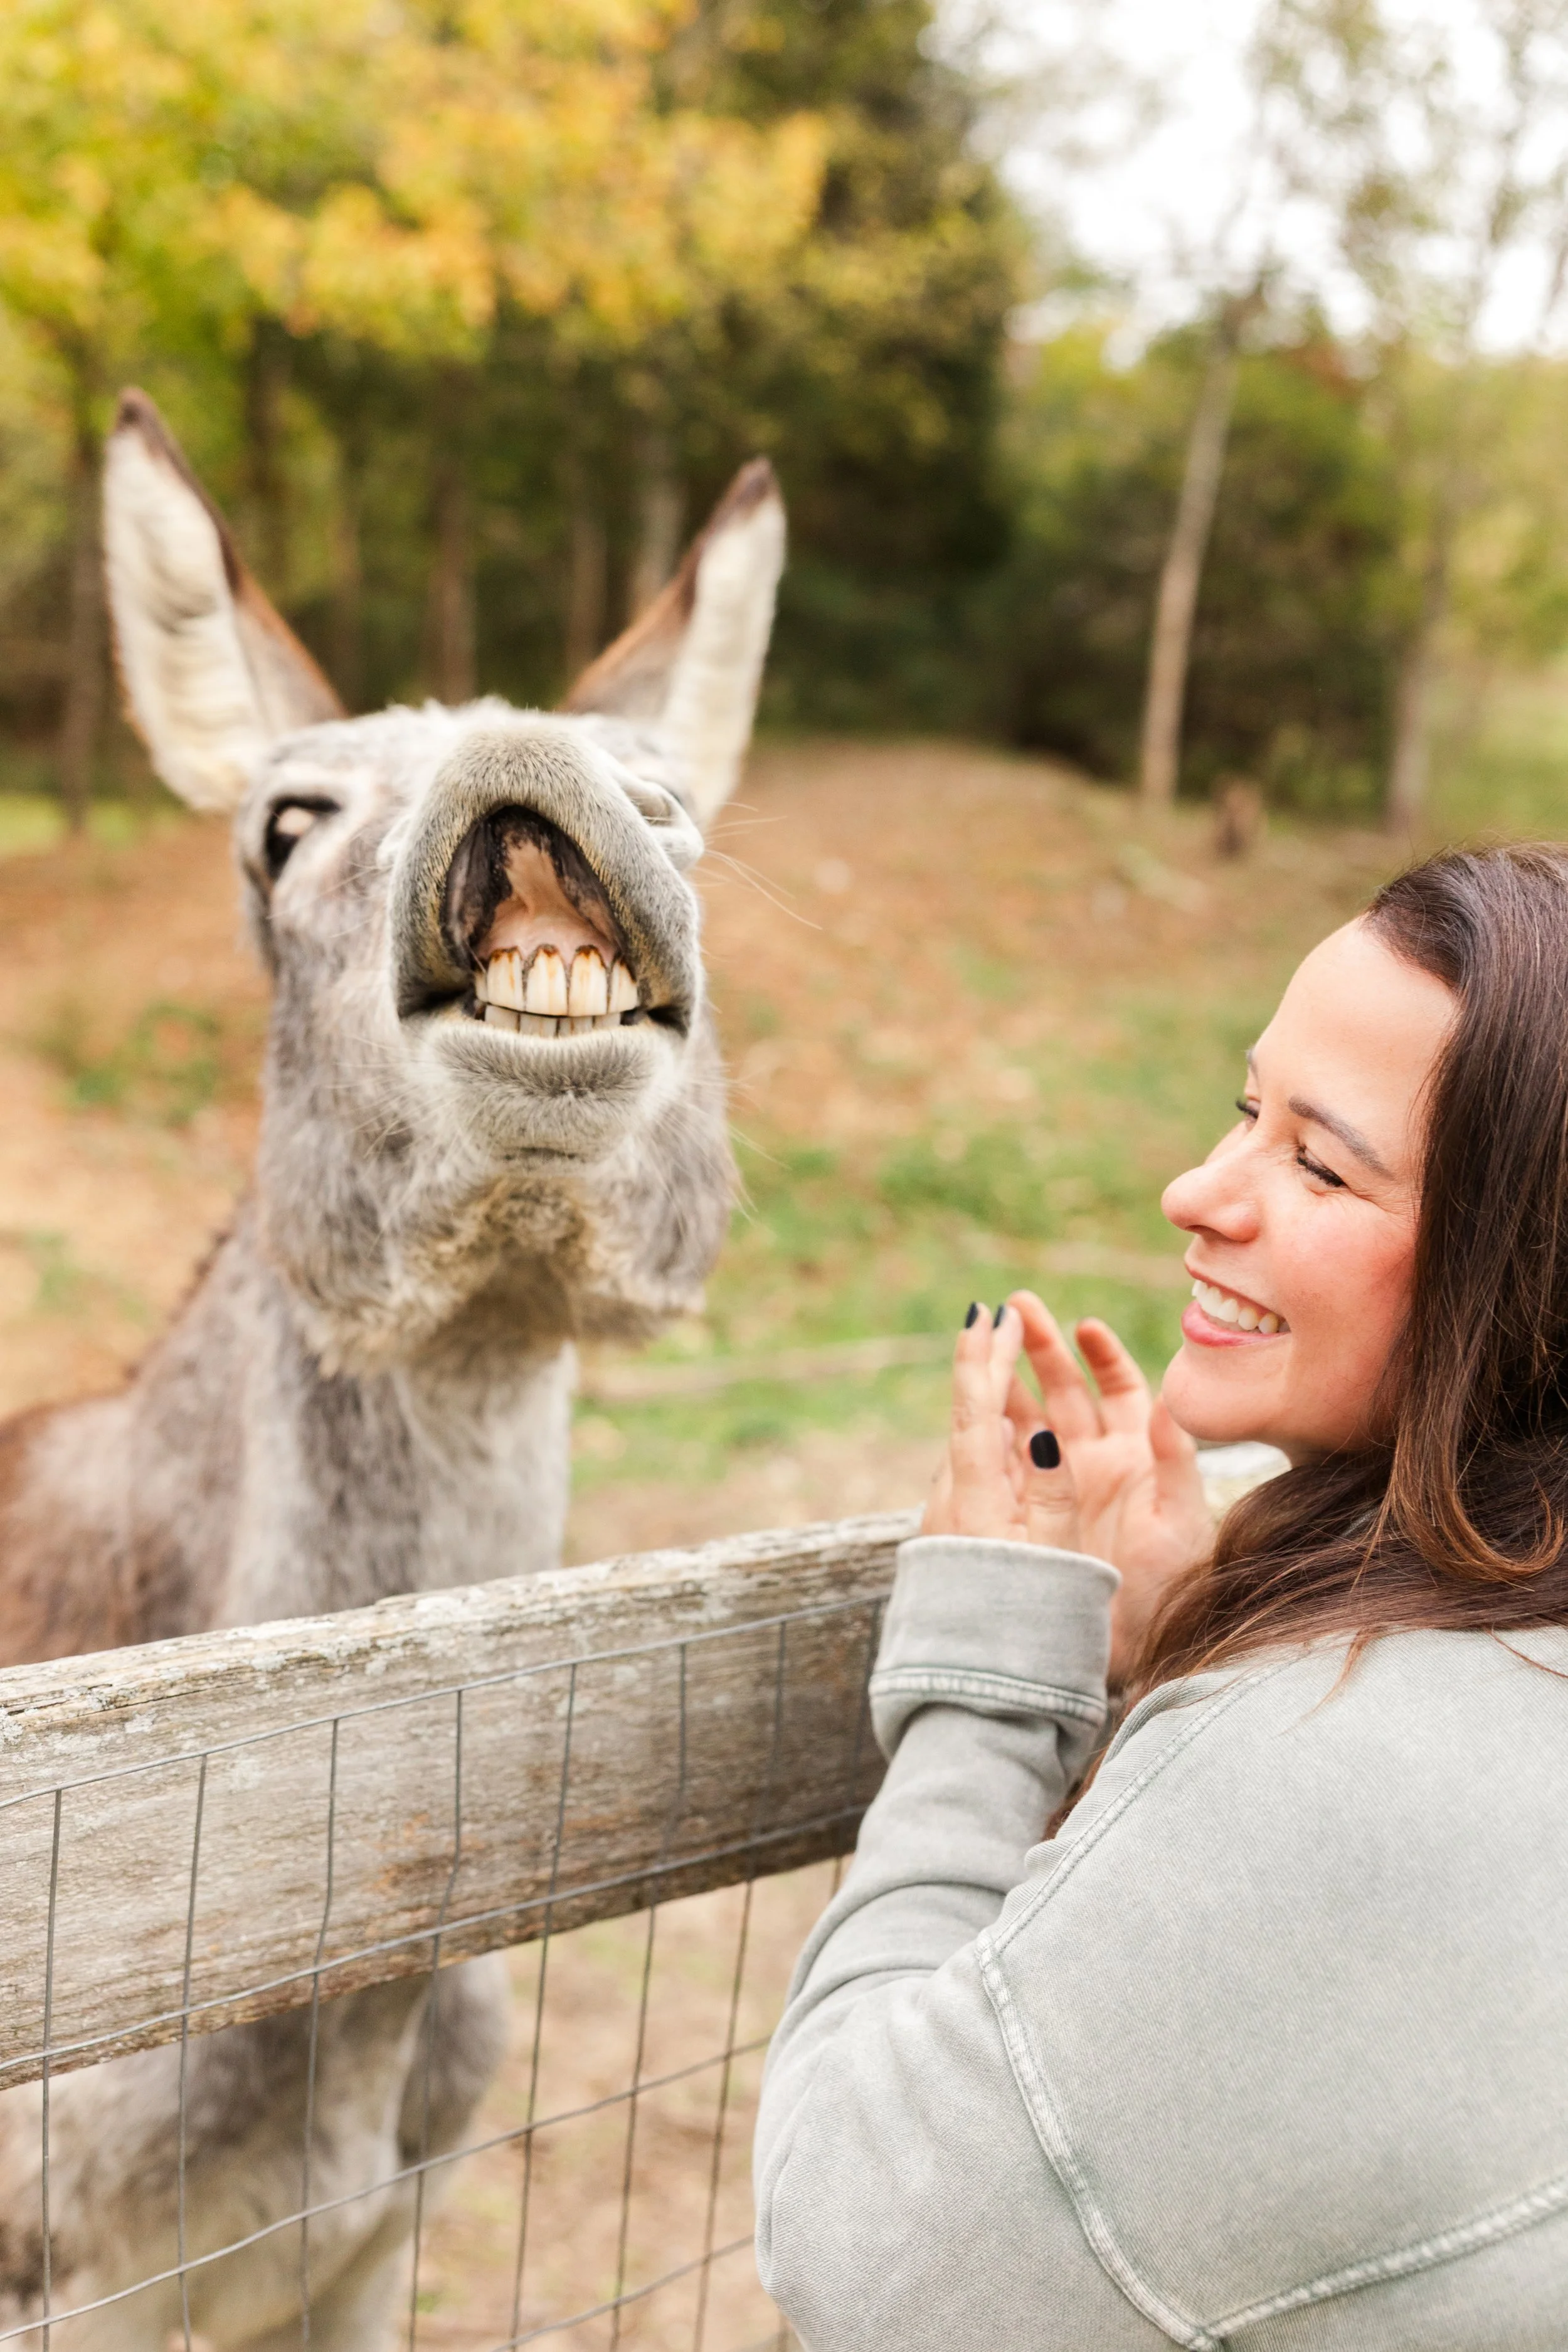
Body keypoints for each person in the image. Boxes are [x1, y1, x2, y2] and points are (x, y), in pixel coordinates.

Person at [755, 845, 1568, 2351]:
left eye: (1319, 1165)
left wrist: (993, 1683)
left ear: (1527, 1277)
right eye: (1241, 1108)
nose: (1193, 1191)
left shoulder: (1326, 1777)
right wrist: (1199, 1634)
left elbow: (856, 2249)